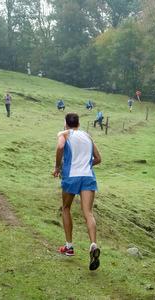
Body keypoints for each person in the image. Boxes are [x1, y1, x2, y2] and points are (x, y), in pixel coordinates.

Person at [52, 113, 102, 271]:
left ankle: (69, 247)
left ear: (65, 123)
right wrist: (85, 165)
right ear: (79, 124)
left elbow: (60, 146)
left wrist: (57, 167)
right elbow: (98, 158)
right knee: (88, 212)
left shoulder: (64, 134)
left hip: (71, 177)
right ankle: (93, 245)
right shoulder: (87, 135)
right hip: (87, 176)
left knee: (66, 208)